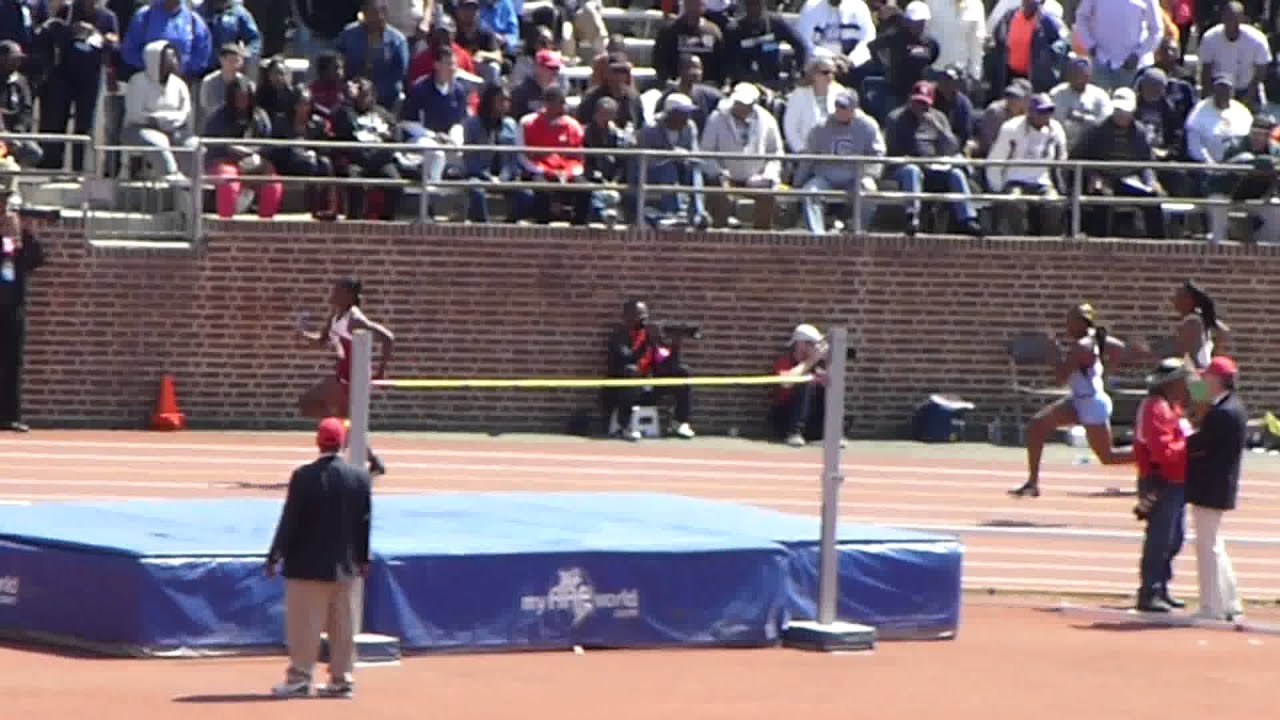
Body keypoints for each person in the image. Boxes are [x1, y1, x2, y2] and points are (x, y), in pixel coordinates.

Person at [265, 417, 372, 698]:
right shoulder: (359, 478)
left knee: (304, 627)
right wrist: (362, 559)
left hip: (307, 567)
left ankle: (300, 677)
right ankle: (342, 679)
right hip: (345, 567)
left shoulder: (304, 477)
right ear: (342, 442)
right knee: (343, 628)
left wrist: (275, 555)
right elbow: (364, 522)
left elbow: (291, 520)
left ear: (318, 441)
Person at [1011, 303, 1139, 498]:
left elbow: (1061, 378)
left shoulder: (1082, 346)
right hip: (1079, 399)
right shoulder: (1094, 339)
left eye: (1069, 321)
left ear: (1080, 322)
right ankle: (1032, 483)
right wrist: (1104, 372)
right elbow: (1120, 349)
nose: (1066, 326)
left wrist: (1053, 355)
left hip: (1092, 404)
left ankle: (1153, 454)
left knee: (1108, 457)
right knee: (1037, 425)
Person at [297, 277, 394, 477]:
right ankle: (373, 461)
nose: (332, 293)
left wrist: (380, 371)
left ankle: (339, 448)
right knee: (345, 421)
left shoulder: (355, 318)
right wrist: (303, 333)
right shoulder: (335, 315)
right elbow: (322, 340)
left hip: (354, 377)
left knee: (308, 402)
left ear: (348, 295)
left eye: (337, 290)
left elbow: (387, 337)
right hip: (341, 373)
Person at [1186, 355, 1246, 621]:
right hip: (1218, 485)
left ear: (1218, 380)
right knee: (1214, 543)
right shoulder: (1231, 407)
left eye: (1207, 377)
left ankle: (1212, 606)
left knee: (1207, 547)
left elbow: (1201, 443)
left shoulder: (1222, 413)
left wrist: (1180, 440)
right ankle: (1229, 601)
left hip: (1211, 486)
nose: (1203, 381)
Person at [1132, 357, 1191, 613]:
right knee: (1160, 537)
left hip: (1176, 479)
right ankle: (1149, 591)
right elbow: (1162, 451)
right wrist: (1192, 446)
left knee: (1174, 537)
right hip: (1161, 479)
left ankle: (1162, 587)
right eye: (1183, 380)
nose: (1187, 385)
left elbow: (1201, 400)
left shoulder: (1172, 405)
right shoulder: (1155, 408)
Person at [605, 300, 695, 442]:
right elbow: (627, 358)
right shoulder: (618, 337)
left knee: (682, 372)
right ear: (626, 316)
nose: (643, 318)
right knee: (631, 371)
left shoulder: (650, 336)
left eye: (645, 314)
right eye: (638, 314)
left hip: (648, 389)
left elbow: (666, 363)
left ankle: (679, 422)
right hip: (622, 391)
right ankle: (624, 426)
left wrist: (676, 344)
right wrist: (644, 342)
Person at [0, 176, 44, 433]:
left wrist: (27, 236)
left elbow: (36, 261)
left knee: (11, 361)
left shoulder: (18, 231)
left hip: (12, 305)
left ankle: (9, 415)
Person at [770, 324, 830, 447]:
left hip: (810, 419)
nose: (815, 347)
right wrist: (811, 360)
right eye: (812, 343)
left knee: (828, 389)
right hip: (785, 417)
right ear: (801, 344)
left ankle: (831, 434)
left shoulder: (819, 365)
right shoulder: (785, 361)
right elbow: (786, 383)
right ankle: (794, 434)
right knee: (805, 382)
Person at [1173, 280, 1230, 369]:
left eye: (1179, 296)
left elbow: (1181, 354)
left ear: (1189, 300)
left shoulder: (1192, 322)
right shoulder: (1200, 319)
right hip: (1204, 373)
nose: (1174, 299)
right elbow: (1224, 331)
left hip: (1196, 375)